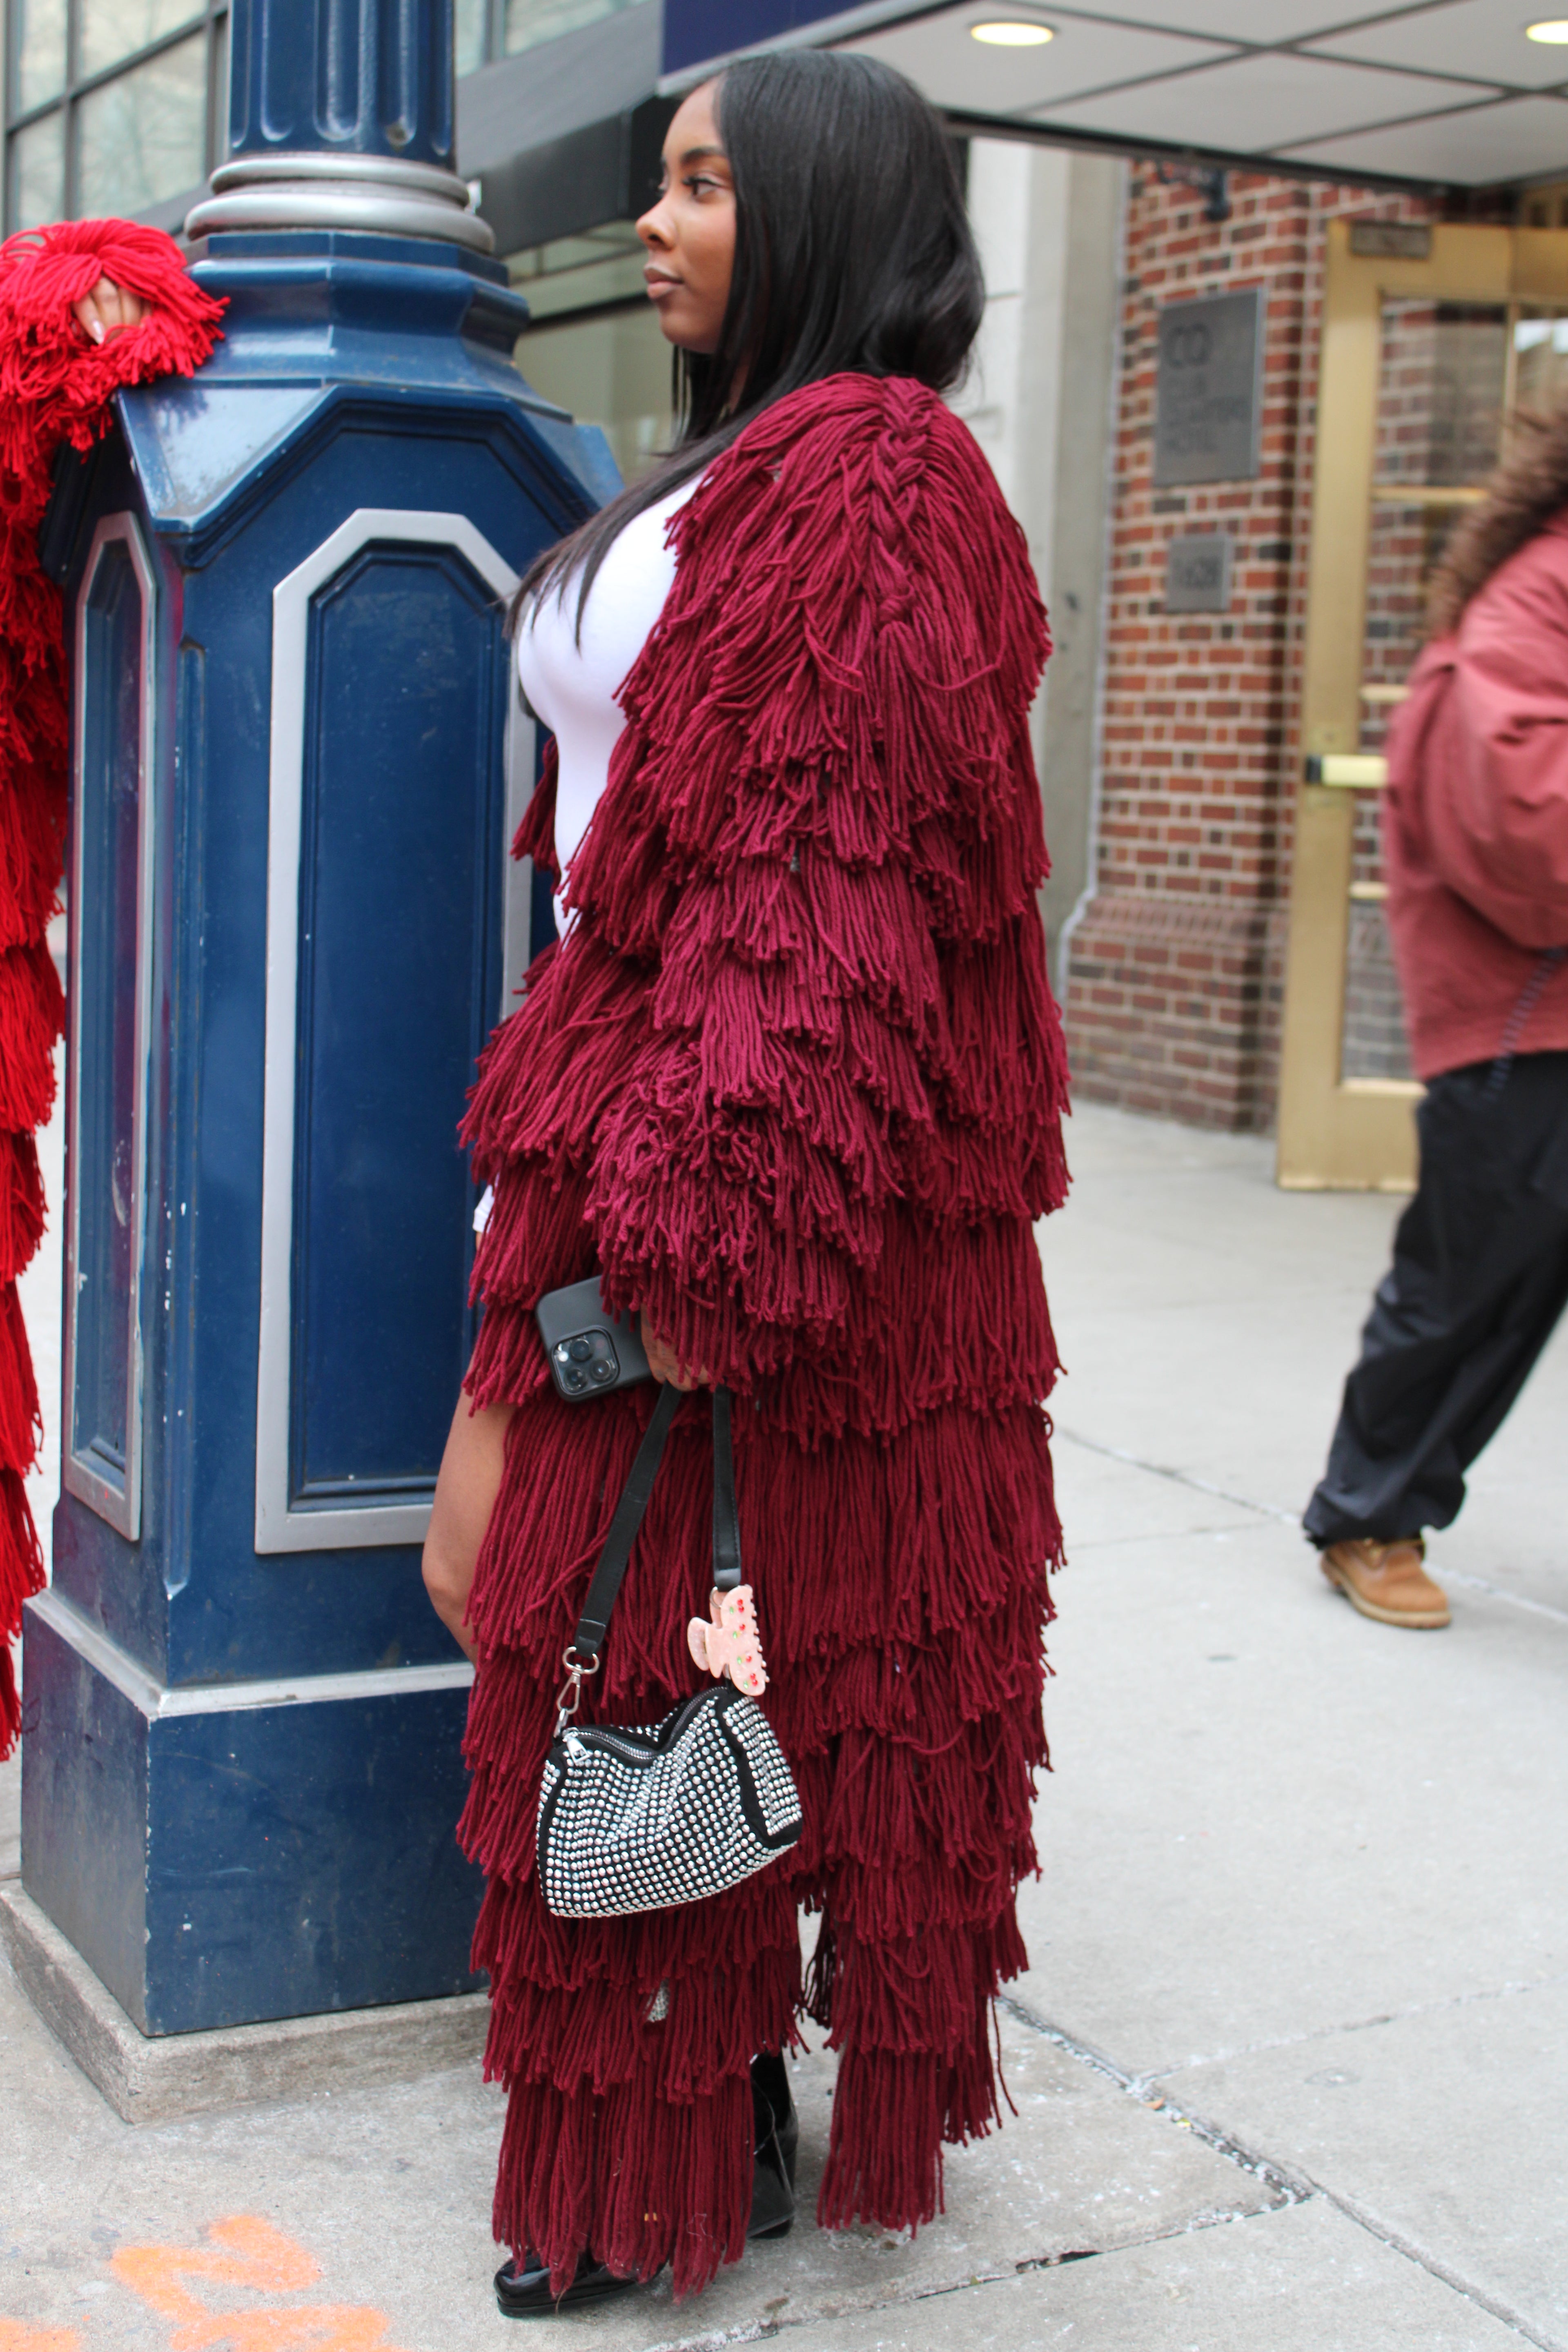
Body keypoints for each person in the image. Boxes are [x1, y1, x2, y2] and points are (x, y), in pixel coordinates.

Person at [420, 51, 1071, 2318]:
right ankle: (707, 2108)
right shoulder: (750, 469)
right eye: (663, 181)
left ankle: (668, 2161)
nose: (660, 222)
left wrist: (706, 1240)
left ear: (814, 203)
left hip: (742, 1181)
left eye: (703, 183)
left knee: (661, 1649)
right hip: (629, 1128)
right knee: (629, 1630)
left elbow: (826, 884)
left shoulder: (877, 472)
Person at [1304, 395, 1568, 1629]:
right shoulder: (1533, 599)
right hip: (1529, 1027)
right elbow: (1526, 820)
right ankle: (1367, 1511)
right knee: (1473, 1287)